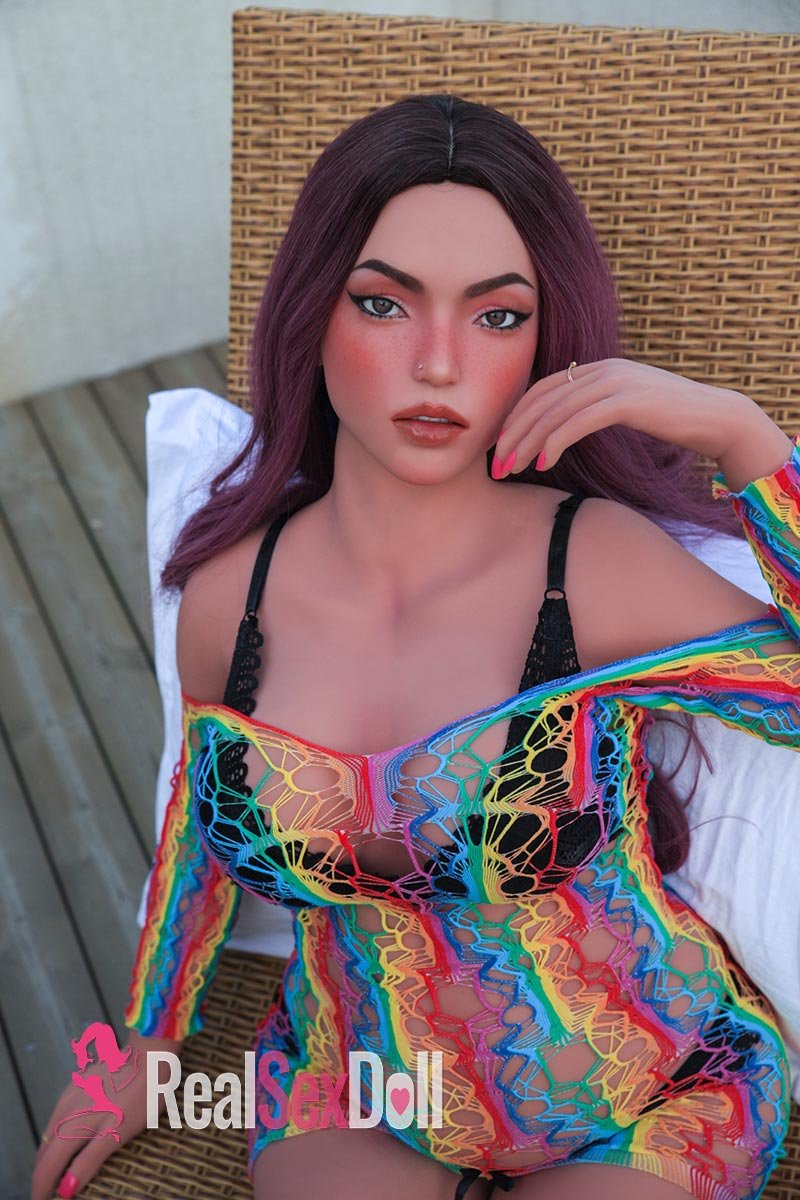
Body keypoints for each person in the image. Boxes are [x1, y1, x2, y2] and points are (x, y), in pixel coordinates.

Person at [32, 93, 800, 1200]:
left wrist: (743, 439)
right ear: (313, 311)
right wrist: (150, 1037)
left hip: (652, 1093)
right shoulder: (230, 600)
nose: (438, 363)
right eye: (384, 304)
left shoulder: (592, 569)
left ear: (544, 341)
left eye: (496, 316)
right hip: (354, 1089)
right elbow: (196, 831)